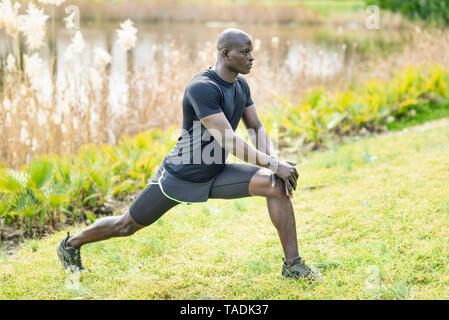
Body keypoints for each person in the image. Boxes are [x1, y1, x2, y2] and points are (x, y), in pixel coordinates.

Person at [57, 28, 318, 281]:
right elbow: (227, 138)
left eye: (252, 52)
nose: (252, 58)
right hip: (181, 175)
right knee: (125, 226)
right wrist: (273, 163)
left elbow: (256, 127)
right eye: (246, 52)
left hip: (215, 171)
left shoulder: (241, 86)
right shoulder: (202, 87)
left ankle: (292, 266)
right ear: (226, 54)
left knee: (275, 185)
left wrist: (275, 166)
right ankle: (71, 244)